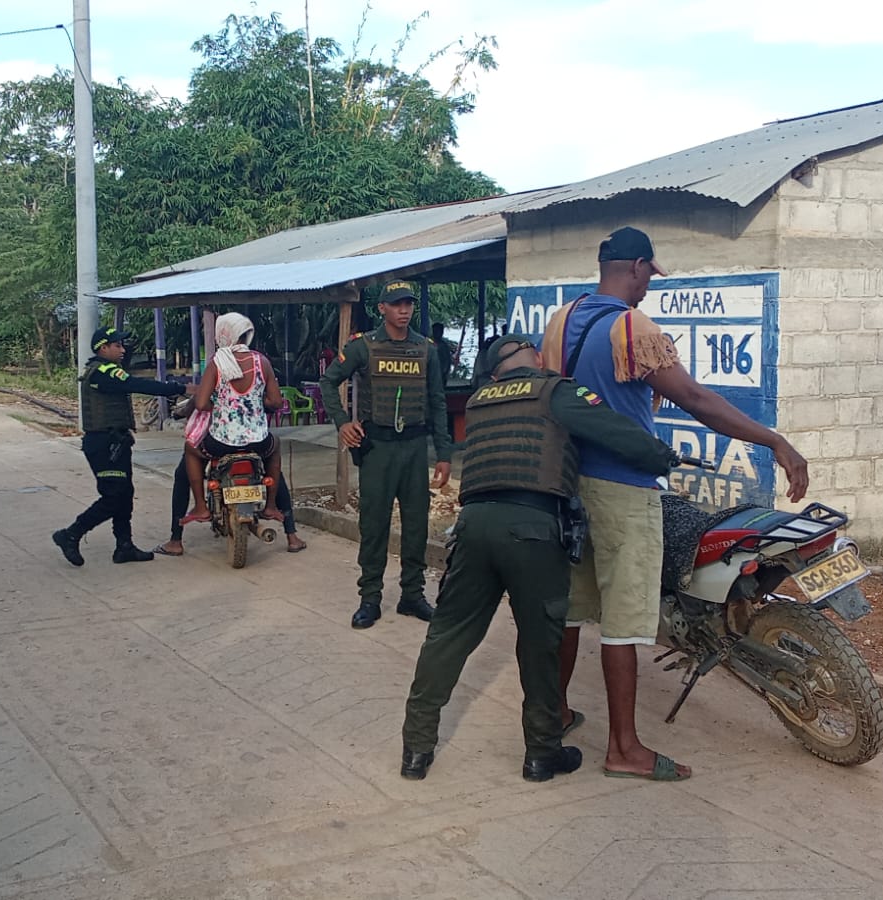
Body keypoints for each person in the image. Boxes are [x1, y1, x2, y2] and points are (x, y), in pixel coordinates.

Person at [540, 226, 809, 781]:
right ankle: (623, 748)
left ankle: (555, 714)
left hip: (568, 486)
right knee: (623, 618)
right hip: (623, 490)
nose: (646, 287)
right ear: (637, 267)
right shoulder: (632, 327)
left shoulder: (562, 321)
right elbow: (694, 398)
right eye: (648, 276)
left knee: (568, 611)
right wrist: (774, 441)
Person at [400, 334, 676, 783]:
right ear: (535, 358)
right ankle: (541, 754)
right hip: (532, 528)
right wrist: (664, 457)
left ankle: (415, 750)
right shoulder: (556, 390)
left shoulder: (479, 400)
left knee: (448, 638)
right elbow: (617, 432)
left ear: (494, 374)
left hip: (473, 527)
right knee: (539, 643)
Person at [319, 281, 454, 629]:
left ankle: (412, 595)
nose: (404, 310)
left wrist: (444, 453)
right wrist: (341, 423)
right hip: (377, 448)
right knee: (374, 525)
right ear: (383, 308)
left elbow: (438, 402)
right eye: (396, 304)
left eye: (408, 303)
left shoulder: (426, 349)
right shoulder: (364, 347)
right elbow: (328, 382)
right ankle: (370, 599)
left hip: (413, 449)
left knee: (415, 525)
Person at [52, 326, 187, 566]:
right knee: (113, 496)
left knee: (125, 495)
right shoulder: (104, 371)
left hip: (116, 441)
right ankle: (71, 534)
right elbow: (136, 385)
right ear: (103, 348)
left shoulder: (104, 369)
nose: (123, 350)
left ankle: (124, 546)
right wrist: (179, 388)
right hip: (104, 444)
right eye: (118, 346)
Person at [180, 312, 285, 524]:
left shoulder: (217, 363)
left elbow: (200, 404)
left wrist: (222, 407)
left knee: (191, 449)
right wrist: (253, 403)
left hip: (221, 443)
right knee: (276, 447)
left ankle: (200, 506)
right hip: (258, 442)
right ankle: (271, 506)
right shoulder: (261, 361)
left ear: (223, 335)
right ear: (246, 335)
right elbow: (275, 402)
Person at [154, 452, 307, 555]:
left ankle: (176, 540)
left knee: (186, 467)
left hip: (218, 442)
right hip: (254, 441)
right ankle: (291, 535)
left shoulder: (213, 401)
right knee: (274, 469)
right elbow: (274, 403)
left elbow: (200, 405)